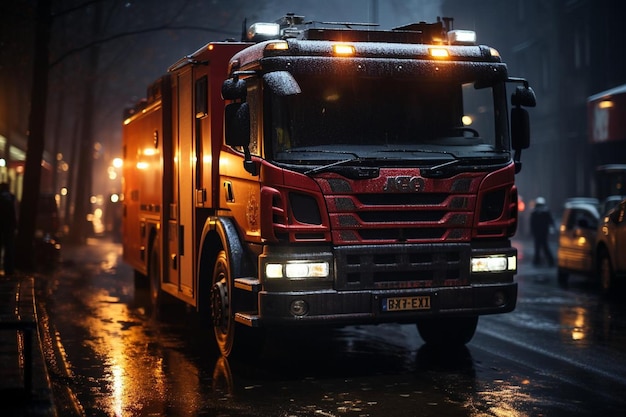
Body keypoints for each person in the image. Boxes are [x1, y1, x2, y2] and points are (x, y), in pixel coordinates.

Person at [530, 196, 555, 267]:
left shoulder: (545, 213)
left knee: (544, 247)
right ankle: (537, 261)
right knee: (538, 248)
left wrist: (551, 229)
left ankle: (550, 261)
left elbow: (550, 221)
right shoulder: (534, 213)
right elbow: (532, 223)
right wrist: (532, 231)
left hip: (544, 233)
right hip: (538, 233)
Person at [0, 182, 17, 275]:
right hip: (9, 227)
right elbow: (14, 213)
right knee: (9, 248)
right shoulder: (11, 198)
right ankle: (9, 269)